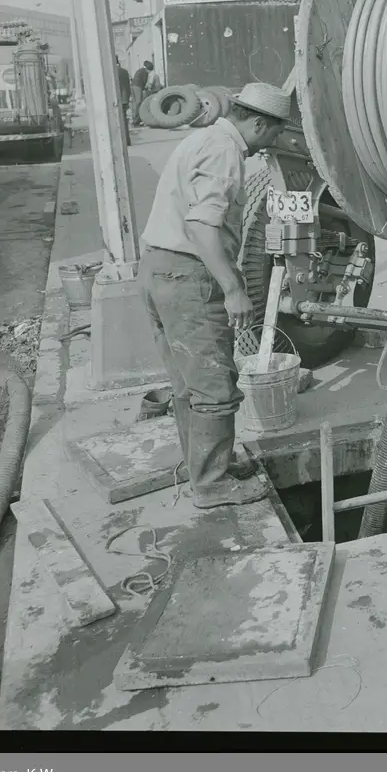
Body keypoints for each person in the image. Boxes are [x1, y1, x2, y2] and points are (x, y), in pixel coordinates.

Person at [139, 82, 291, 508]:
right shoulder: (225, 151)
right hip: (188, 276)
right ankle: (212, 484)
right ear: (257, 122)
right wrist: (233, 288)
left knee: (189, 384)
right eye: (275, 132)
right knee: (215, 386)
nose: (272, 143)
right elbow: (201, 226)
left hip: (157, 268)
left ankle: (203, 466)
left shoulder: (202, 138)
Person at [130, 58, 160, 126]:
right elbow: (146, 83)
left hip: (134, 86)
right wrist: (147, 88)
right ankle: (137, 120)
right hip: (138, 86)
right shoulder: (145, 72)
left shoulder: (141, 70)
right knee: (139, 102)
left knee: (135, 103)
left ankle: (135, 118)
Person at [114, 55, 131, 147]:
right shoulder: (124, 71)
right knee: (124, 121)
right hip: (125, 99)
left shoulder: (112, 72)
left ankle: (120, 141)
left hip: (117, 99)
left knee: (116, 121)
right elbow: (128, 86)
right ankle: (127, 140)